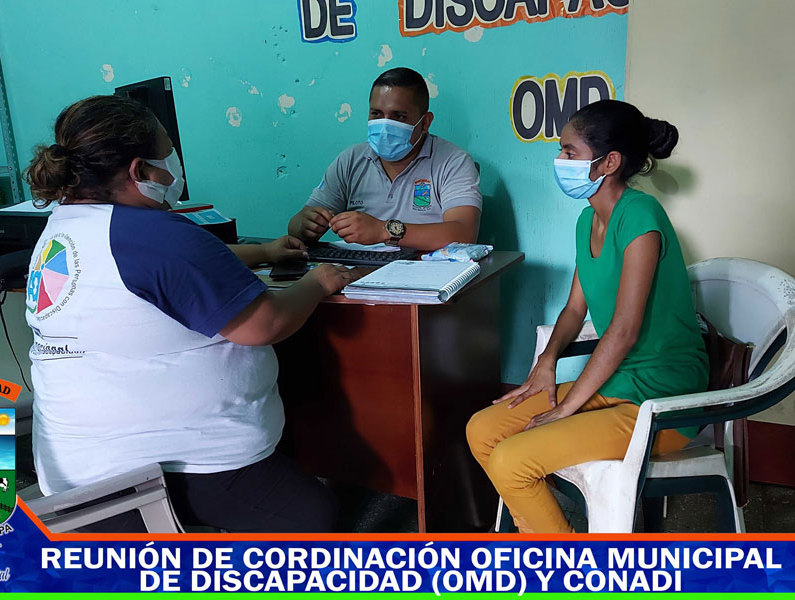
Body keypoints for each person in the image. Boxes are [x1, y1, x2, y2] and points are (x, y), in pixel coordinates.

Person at [23, 95, 363, 532]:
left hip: (76, 470)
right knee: (312, 516)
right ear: (140, 171)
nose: (175, 164)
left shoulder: (69, 225)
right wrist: (319, 282)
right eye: (167, 153)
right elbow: (266, 323)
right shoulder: (154, 235)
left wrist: (264, 251)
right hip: (158, 470)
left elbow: (179, 268)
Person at [465, 99, 708, 533]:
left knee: (511, 459)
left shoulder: (641, 216)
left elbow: (624, 330)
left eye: (569, 151)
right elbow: (575, 308)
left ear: (608, 162)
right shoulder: (587, 221)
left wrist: (568, 407)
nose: (560, 160)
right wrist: (546, 363)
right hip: (617, 380)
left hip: (662, 396)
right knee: (482, 430)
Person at [288, 67, 482, 251]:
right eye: (377, 114)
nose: (385, 126)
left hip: (422, 269)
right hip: (356, 268)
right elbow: (296, 226)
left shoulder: (453, 162)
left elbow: (464, 234)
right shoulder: (350, 160)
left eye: (399, 116)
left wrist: (383, 230)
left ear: (425, 123)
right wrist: (305, 225)